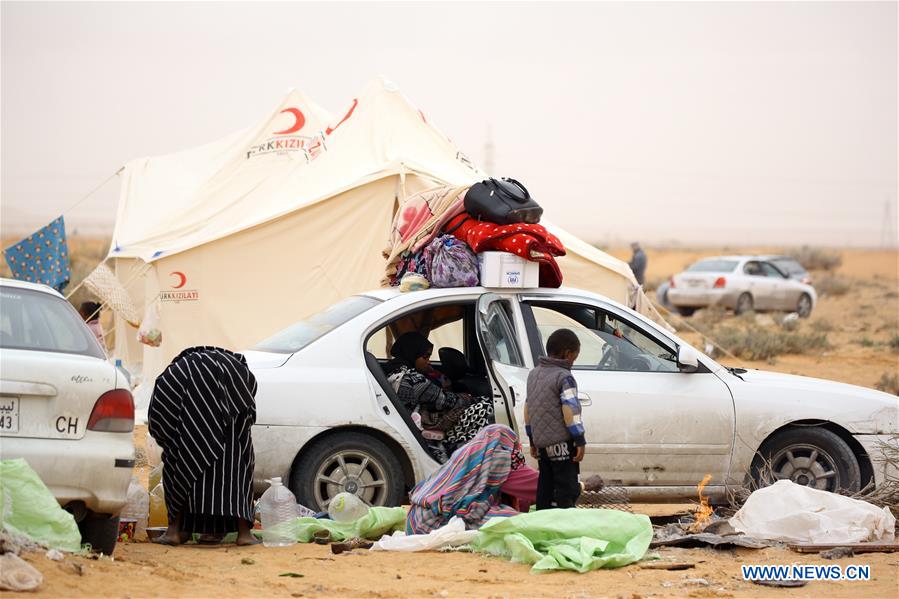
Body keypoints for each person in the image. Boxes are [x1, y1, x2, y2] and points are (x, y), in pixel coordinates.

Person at [148, 346, 259, 546]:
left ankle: (175, 530)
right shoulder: (238, 370)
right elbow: (248, 414)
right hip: (230, 442)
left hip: (187, 442)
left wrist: (173, 440)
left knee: (176, 462)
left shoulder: (176, 371)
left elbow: (159, 417)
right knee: (240, 459)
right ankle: (244, 533)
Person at [387, 332, 494, 462]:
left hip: (412, 418)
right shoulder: (414, 380)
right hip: (423, 425)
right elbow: (448, 401)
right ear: (412, 354)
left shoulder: (395, 371)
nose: (428, 361)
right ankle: (464, 455)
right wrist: (468, 398)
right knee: (485, 407)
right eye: (425, 357)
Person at [406, 424, 523, 534]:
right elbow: (468, 512)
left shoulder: (471, 452)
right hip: (431, 525)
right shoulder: (499, 455)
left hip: (415, 518)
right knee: (511, 521)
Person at [525, 329, 586, 510]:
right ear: (568, 354)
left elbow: (528, 409)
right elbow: (570, 410)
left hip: (542, 443)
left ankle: (544, 521)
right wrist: (579, 439)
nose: (573, 363)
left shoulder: (533, 374)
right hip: (562, 443)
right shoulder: (564, 377)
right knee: (566, 490)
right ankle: (565, 527)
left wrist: (532, 439)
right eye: (574, 358)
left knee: (545, 486)